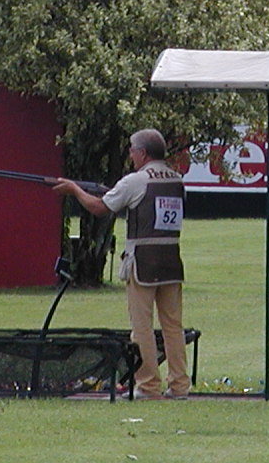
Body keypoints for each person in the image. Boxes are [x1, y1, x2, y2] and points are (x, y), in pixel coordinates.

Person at [55, 129, 189, 400]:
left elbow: (98, 208)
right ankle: (179, 386)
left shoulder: (135, 181)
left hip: (143, 262)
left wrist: (74, 190)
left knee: (142, 327)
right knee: (173, 327)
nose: (130, 154)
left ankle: (148, 385)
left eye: (132, 149)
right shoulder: (177, 179)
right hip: (171, 261)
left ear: (143, 153)